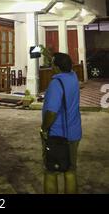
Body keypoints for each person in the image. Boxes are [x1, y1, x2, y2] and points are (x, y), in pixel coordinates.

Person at [40, 52, 82, 194]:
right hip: (74, 133)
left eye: (52, 63)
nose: (51, 66)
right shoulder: (73, 77)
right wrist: (44, 51)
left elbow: (51, 112)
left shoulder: (56, 83)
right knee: (70, 172)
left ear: (57, 67)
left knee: (51, 173)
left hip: (57, 136)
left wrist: (44, 129)